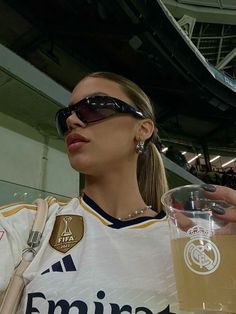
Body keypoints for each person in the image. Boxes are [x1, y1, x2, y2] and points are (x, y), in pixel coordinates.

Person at [0, 72, 235, 314]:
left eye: (94, 108)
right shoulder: (28, 224)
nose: (72, 121)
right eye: (65, 116)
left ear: (143, 129)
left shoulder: (192, 242)